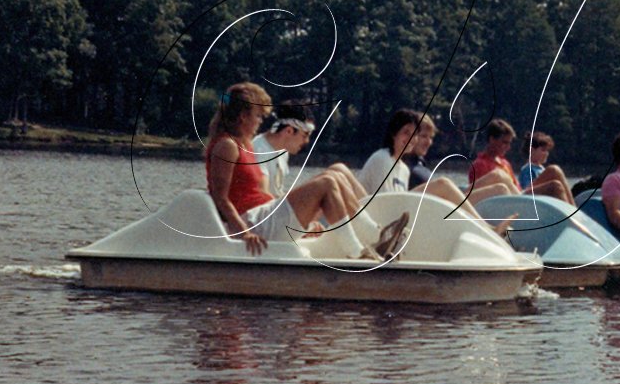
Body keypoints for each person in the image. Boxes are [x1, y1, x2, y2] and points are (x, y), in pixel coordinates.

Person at [206, 82, 405, 259]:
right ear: (243, 116)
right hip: (251, 222)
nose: (260, 122)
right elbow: (220, 197)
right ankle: (359, 252)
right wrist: (245, 234)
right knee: (326, 183)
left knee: (334, 175)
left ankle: (376, 236)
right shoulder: (227, 146)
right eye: (258, 116)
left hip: (262, 216)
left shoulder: (244, 145)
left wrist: (307, 223)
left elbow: (259, 195)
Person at [362, 109, 515, 235]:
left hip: (405, 213)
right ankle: (488, 230)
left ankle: (489, 231)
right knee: (444, 184)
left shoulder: (403, 169)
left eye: (414, 134)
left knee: (499, 187)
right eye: (406, 133)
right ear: (393, 134)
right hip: (382, 223)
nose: (412, 139)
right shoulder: (382, 159)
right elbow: (384, 205)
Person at [467, 118, 573, 203]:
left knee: (554, 170)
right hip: (509, 202)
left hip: (518, 194)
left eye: (509, 143)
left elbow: (518, 187)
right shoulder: (480, 164)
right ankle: (572, 220)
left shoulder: (504, 162)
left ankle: (576, 213)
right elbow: (485, 198)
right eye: (504, 142)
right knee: (555, 186)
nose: (508, 147)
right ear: (492, 139)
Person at [517, 130, 574, 202]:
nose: (547, 154)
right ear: (531, 150)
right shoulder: (528, 169)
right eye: (543, 150)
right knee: (554, 170)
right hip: (533, 201)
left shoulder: (542, 169)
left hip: (545, 200)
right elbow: (527, 190)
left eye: (547, 151)